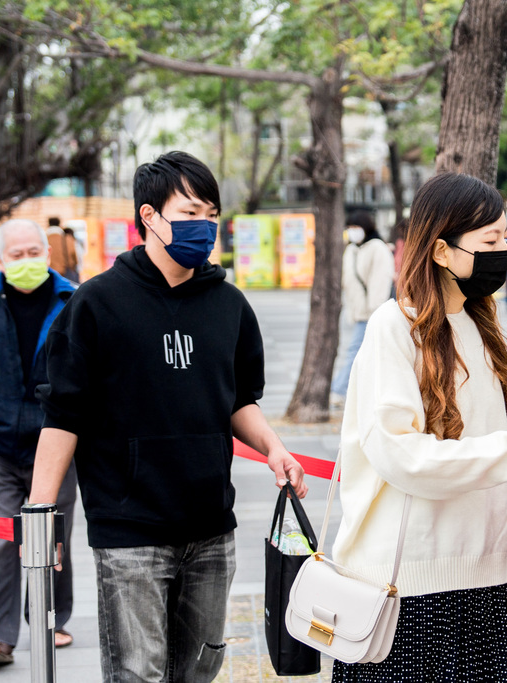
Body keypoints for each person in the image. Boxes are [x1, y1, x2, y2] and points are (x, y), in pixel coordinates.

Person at [329, 172, 507, 682]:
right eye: (490, 241)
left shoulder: (479, 325)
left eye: (505, 238)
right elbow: (406, 459)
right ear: (441, 250)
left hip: (484, 580)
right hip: (405, 592)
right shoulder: (393, 327)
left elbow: (481, 449)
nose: (502, 252)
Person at [29, 151, 308, 683]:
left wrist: (274, 448)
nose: (204, 226)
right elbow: (63, 415)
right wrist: (41, 513)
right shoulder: (95, 304)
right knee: (139, 673)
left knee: (200, 669)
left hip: (211, 527)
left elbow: (239, 400)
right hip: (128, 530)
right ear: (149, 216)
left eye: (211, 214)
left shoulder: (230, 306)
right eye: (190, 212)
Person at [0, 219, 78, 664]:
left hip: (57, 439)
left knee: (53, 535)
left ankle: (51, 619)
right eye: (16, 255)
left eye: (33, 253)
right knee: (0, 536)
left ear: (48, 253)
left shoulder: (74, 301)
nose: (26, 261)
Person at [331, 210, 395, 401]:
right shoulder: (352, 249)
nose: (352, 231)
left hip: (371, 312)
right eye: (350, 227)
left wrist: (374, 309)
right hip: (358, 311)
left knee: (355, 350)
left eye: (356, 227)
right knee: (370, 353)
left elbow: (380, 280)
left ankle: (339, 390)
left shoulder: (377, 248)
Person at [46, 217, 78, 282]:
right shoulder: (67, 239)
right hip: (65, 274)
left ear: (48, 225)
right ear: (59, 225)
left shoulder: (44, 239)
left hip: (49, 274)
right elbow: (74, 257)